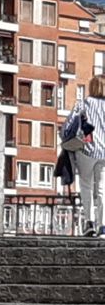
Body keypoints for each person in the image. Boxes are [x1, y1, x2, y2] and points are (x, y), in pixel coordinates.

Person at [66, 75, 105, 236]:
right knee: (102, 188)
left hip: (86, 150)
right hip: (104, 153)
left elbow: (68, 127)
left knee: (86, 186)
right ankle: (103, 226)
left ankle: (89, 223)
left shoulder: (83, 104)